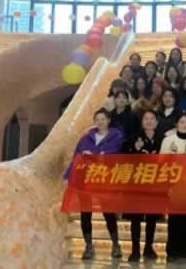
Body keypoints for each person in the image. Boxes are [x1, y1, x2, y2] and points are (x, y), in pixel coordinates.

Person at [64, 109, 124, 260]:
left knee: (108, 212)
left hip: (104, 180)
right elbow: (77, 157)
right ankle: (89, 246)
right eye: (97, 119)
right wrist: (70, 175)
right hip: (85, 180)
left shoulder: (116, 137)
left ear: (108, 120)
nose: (100, 122)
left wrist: (95, 157)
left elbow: (114, 155)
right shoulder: (85, 138)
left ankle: (116, 245)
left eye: (103, 119)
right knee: (85, 212)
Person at [161, 112, 186, 262]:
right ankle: (172, 251)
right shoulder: (168, 140)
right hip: (174, 185)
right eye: (182, 122)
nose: (185, 125)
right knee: (174, 220)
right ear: (176, 124)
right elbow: (161, 162)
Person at [125, 110, 162, 262]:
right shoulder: (134, 138)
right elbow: (124, 159)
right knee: (136, 217)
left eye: (152, 118)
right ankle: (135, 249)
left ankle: (148, 247)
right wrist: (135, 149)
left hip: (155, 183)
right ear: (142, 122)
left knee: (152, 217)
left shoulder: (162, 139)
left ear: (156, 122)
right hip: (137, 182)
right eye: (146, 118)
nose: (149, 121)